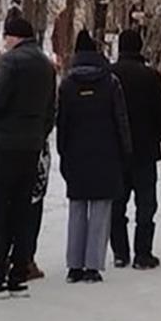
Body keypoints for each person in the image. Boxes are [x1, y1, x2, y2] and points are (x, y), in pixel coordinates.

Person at [0, 16, 56, 299]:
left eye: (6, 37)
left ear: (13, 37)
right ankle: (19, 272)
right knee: (22, 209)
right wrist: (38, 136)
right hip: (31, 147)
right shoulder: (45, 65)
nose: (4, 42)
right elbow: (51, 109)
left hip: (2, 145)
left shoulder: (9, 62)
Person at [56, 31, 131, 283]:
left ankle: (74, 265)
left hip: (76, 153)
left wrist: (63, 153)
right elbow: (121, 120)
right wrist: (125, 151)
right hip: (105, 153)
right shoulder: (110, 83)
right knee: (100, 208)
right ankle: (93, 266)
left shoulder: (67, 85)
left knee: (77, 208)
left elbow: (61, 124)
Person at [109, 29, 161, 270]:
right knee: (145, 204)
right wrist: (156, 136)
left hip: (116, 151)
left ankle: (120, 252)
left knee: (117, 203)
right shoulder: (151, 76)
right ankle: (143, 253)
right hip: (145, 150)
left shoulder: (110, 75)